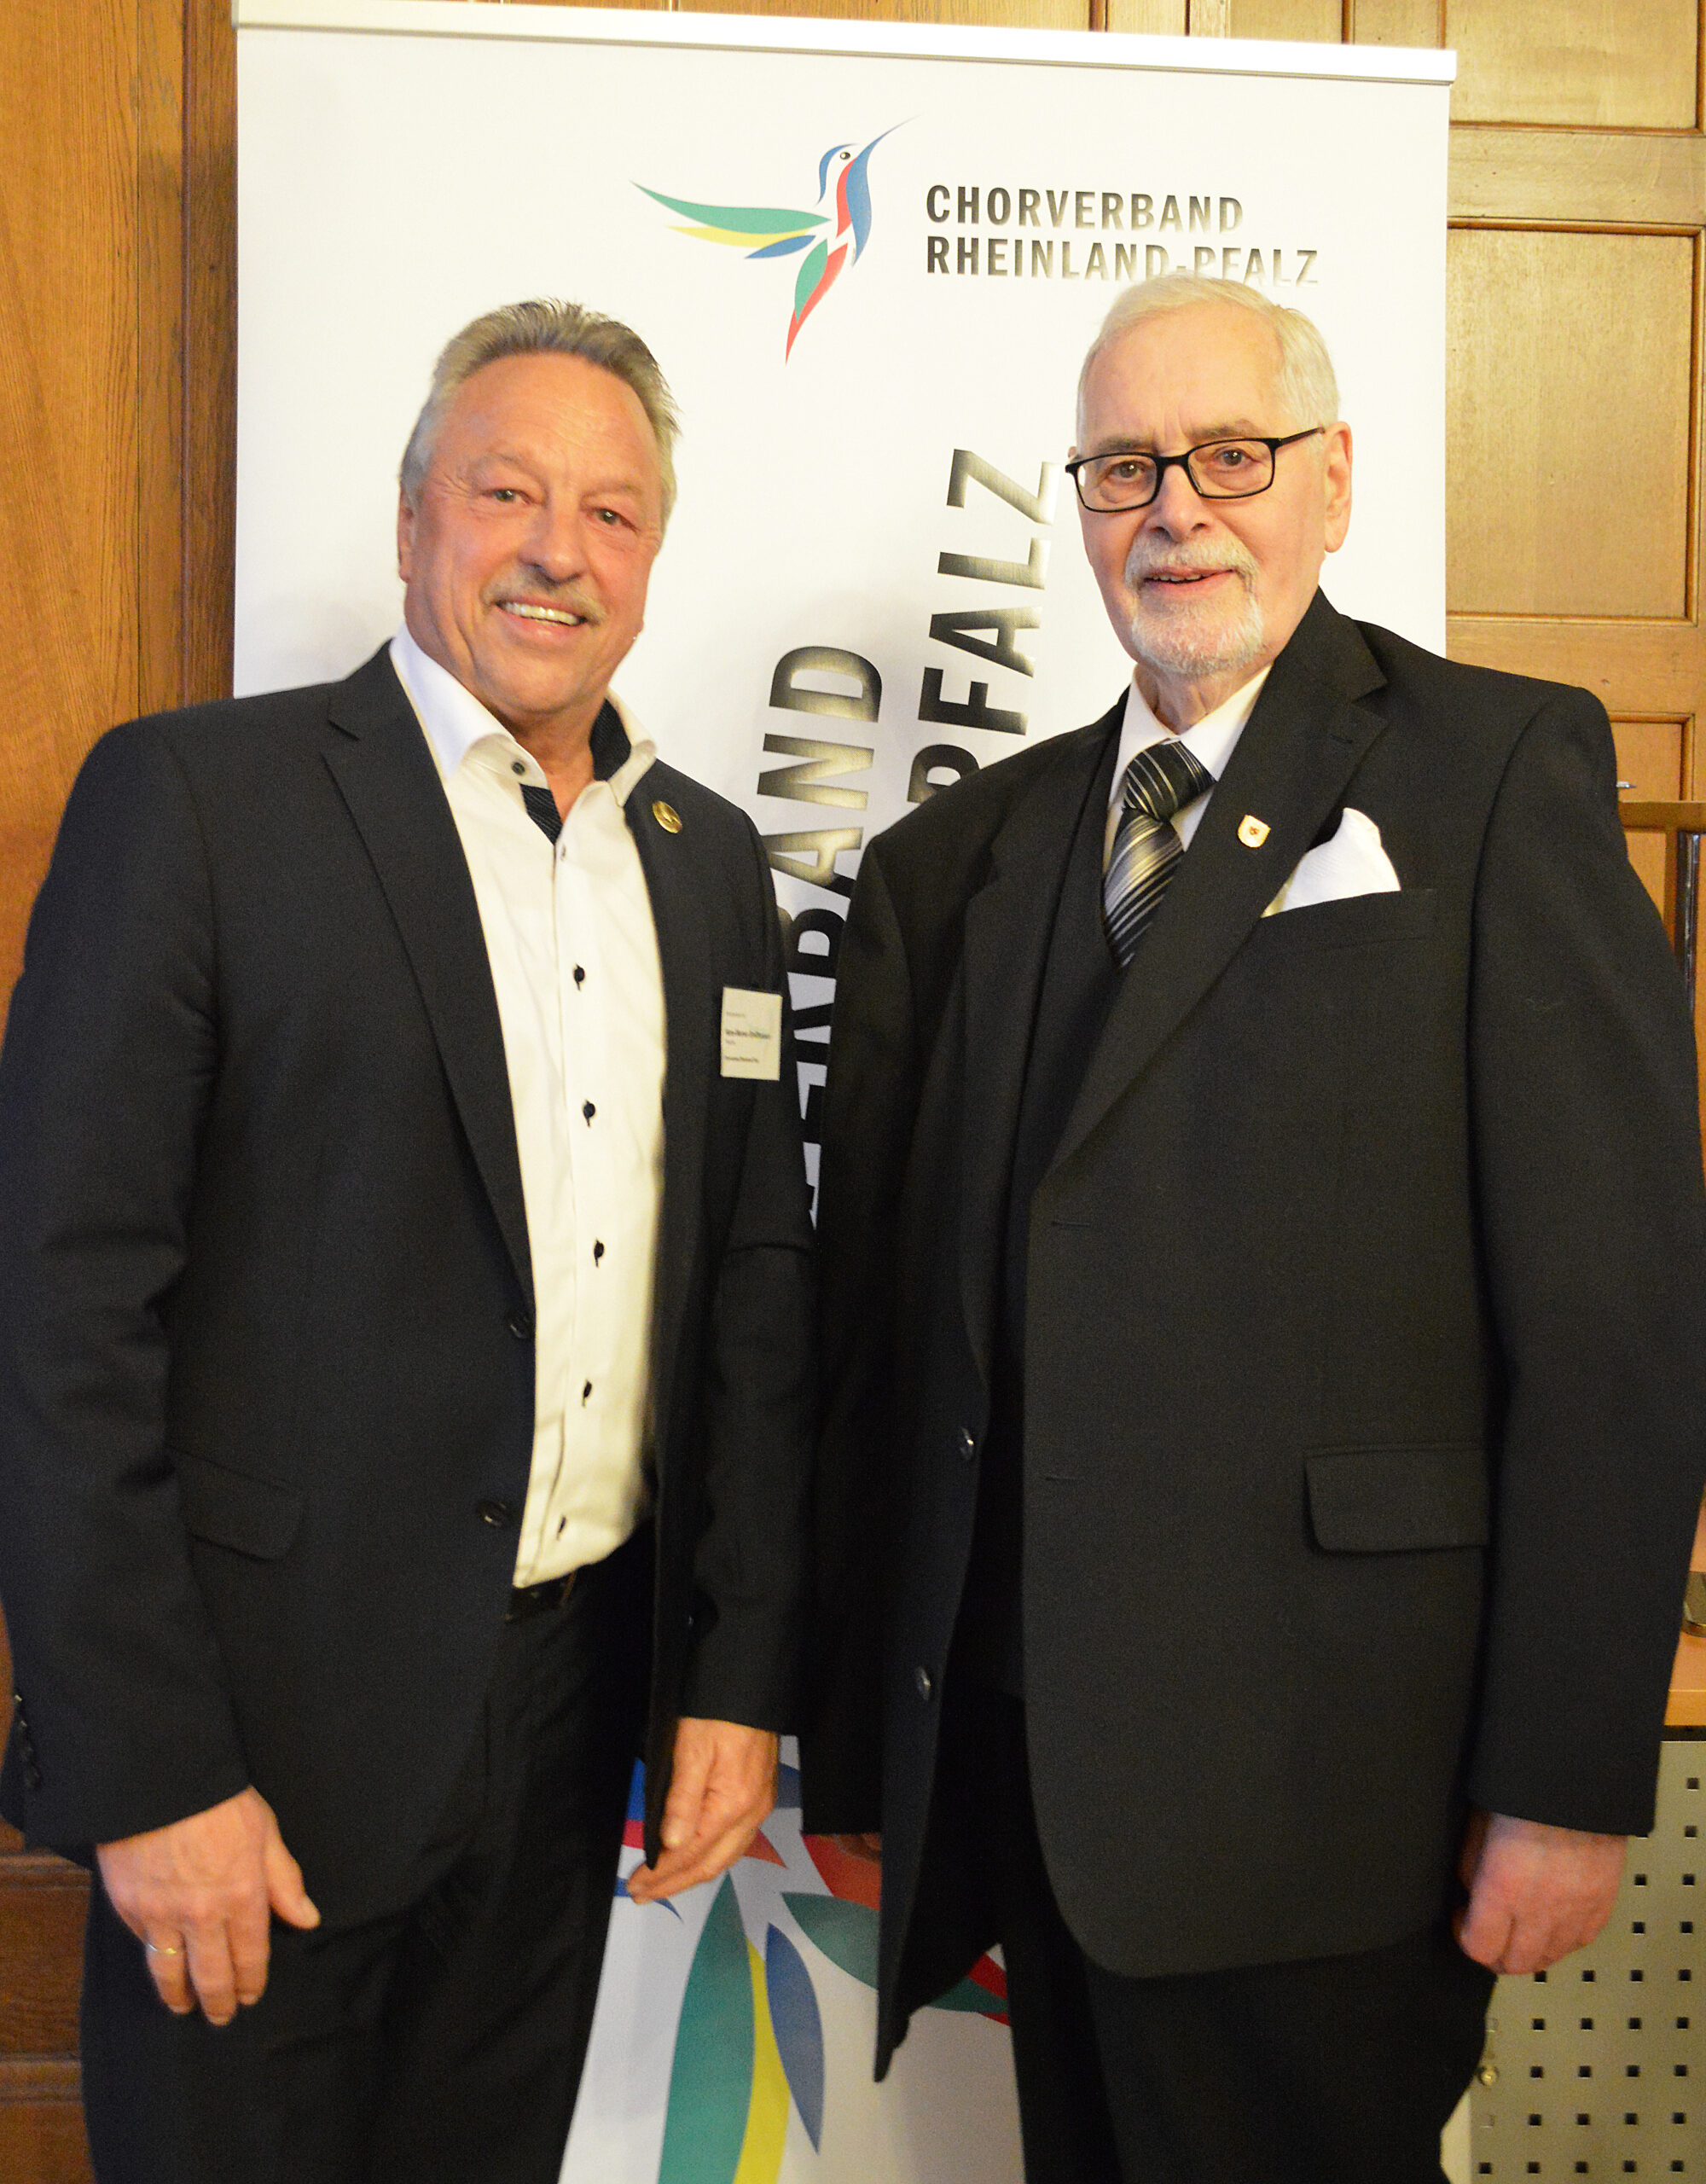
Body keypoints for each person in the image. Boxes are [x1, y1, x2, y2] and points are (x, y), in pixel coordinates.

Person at [802, 273, 1706, 2183]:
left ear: (1333, 482)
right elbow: (885, 1340)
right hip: (1039, 1793)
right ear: (1078, 502)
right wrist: (871, 1741)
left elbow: (1614, 1324)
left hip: (1341, 1804)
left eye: (1229, 455)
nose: (1175, 510)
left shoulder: (1494, 774)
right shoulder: (960, 864)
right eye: (1125, 466)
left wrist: (1562, 1778)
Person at [0, 299, 814, 2184]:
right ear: (409, 520)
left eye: (611, 512)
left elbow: (753, 1297)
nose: (557, 549)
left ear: (653, 558)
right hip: (253, 1756)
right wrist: (151, 1767)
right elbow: (59, 1311)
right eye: (506, 491)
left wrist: (737, 1668)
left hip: (570, 1736)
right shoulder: (197, 803)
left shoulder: (707, 864)